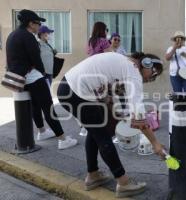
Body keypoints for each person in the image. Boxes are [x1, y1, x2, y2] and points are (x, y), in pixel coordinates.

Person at [57, 52, 165, 197]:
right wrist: (155, 143)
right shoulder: (133, 71)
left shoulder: (125, 63)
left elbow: (108, 95)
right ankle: (123, 182)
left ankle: (93, 175)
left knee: (95, 132)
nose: (152, 78)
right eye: (153, 73)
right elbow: (139, 114)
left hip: (69, 88)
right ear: (146, 63)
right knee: (102, 135)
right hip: (77, 91)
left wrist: (117, 115)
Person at [6, 9, 78, 150]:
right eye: (38, 23)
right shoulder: (28, 37)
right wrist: (43, 73)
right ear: (31, 23)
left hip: (19, 78)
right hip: (33, 76)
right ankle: (62, 139)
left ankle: (42, 131)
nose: (39, 26)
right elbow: (36, 59)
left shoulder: (13, 35)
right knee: (48, 107)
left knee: (35, 106)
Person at [165, 31, 186, 123]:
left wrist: (183, 53)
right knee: (178, 94)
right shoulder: (170, 48)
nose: (179, 40)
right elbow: (167, 58)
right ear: (174, 40)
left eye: (181, 38)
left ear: (184, 39)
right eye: (177, 38)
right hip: (174, 74)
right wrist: (174, 48)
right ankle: (180, 113)